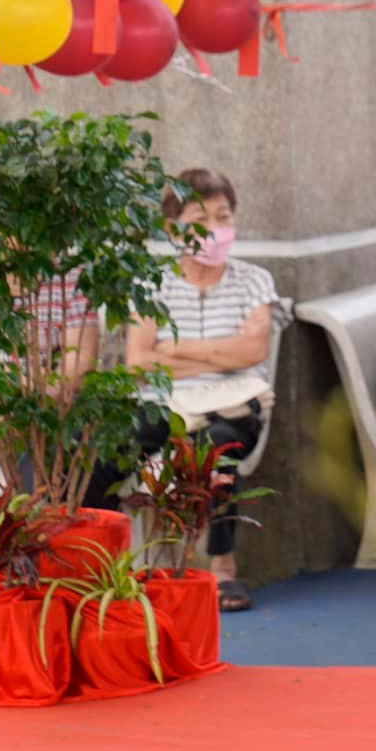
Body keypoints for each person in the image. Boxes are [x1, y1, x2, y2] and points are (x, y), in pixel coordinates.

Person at [121, 169, 282, 612]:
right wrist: (219, 352)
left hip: (233, 405)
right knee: (111, 445)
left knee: (218, 448)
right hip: (162, 402)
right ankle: (105, 566)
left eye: (223, 216)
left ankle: (222, 566)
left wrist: (176, 349)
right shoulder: (151, 283)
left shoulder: (254, 281)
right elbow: (138, 361)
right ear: (173, 229)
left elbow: (252, 351)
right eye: (199, 218)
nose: (214, 228)